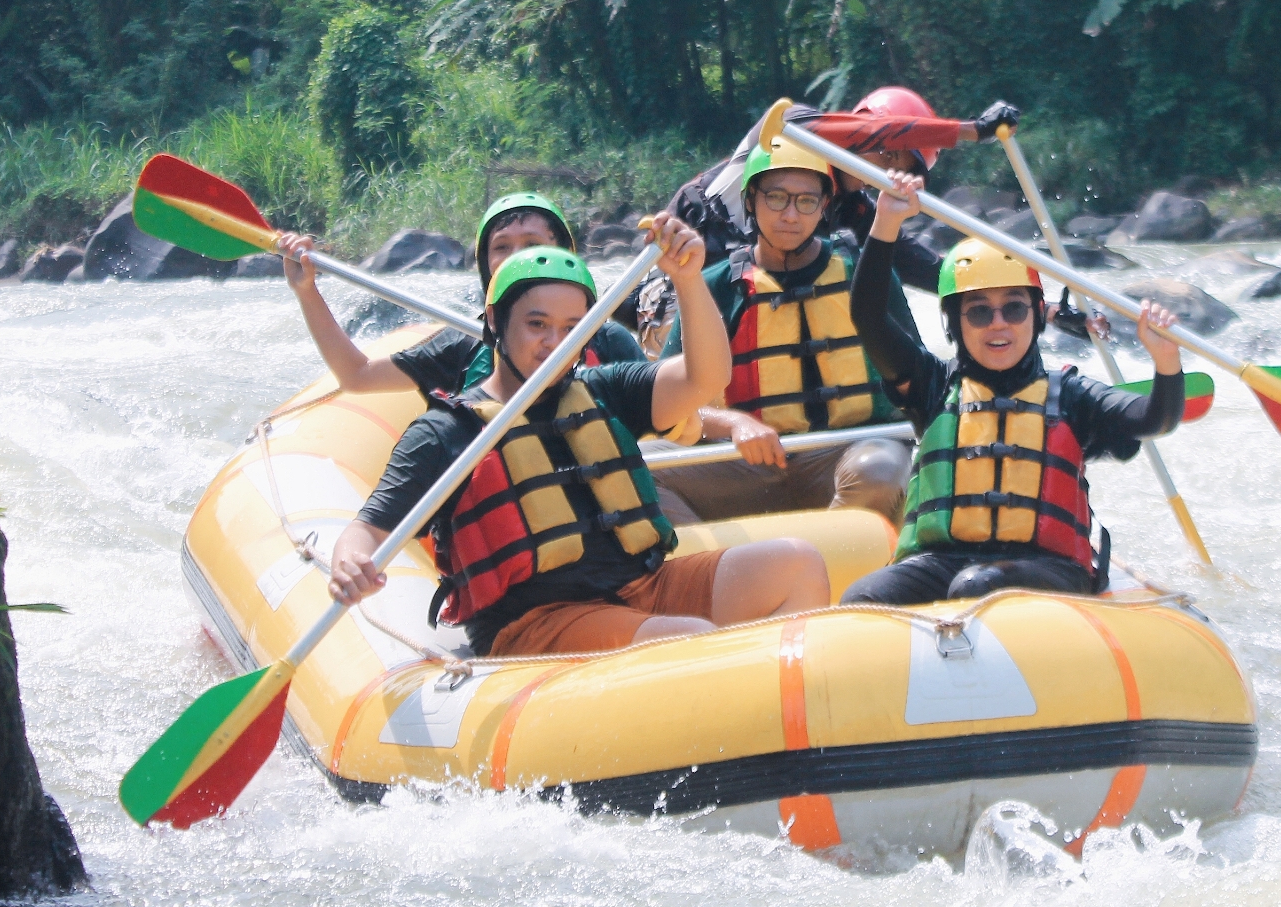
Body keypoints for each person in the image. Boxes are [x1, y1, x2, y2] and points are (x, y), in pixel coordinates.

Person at [325, 218, 830, 657]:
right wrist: (350, 563)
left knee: (798, 564)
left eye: (571, 328)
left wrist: (688, 279)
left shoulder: (604, 389)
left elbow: (705, 378)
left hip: (643, 588)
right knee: (686, 637)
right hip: (537, 622)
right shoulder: (446, 432)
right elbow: (366, 530)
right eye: (537, 325)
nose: (554, 343)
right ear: (496, 321)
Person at [840, 171, 1185, 604]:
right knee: (864, 597)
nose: (998, 324)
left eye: (1014, 309)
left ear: (1037, 316)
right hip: (943, 560)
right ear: (954, 323)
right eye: (979, 312)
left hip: (1048, 567)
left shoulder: (1073, 396)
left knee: (976, 585)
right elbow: (868, 316)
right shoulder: (931, 385)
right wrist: (886, 221)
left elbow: (1156, 419)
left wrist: (1166, 363)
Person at [653, 135, 919, 525]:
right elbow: (664, 403)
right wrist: (734, 423)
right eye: (776, 198)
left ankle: (838, 552)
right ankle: (711, 561)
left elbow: (920, 379)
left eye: (806, 201)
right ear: (750, 201)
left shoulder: (866, 274)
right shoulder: (714, 286)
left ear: (825, 205)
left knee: (880, 469)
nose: (791, 215)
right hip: (746, 465)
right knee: (636, 469)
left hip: (845, 455)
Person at [275, 192, 644, 400]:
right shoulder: (464, 343)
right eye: (502, 247)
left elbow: (669, 409)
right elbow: (357, 376)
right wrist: (306, 291)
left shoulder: (607, 340)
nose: (516, 258)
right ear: (485, 264)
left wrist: (677, 276)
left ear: (564, 254)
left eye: (533, 245)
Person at [663, 90, 1021, 294]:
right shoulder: (794, 128)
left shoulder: (853, 210)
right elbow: (867, 131)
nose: (889, 171)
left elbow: (925, 267)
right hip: (672, 279)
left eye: (902, 167)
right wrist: (972, 130)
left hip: (740, 296)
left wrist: (1032, 302)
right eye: (888, 154)